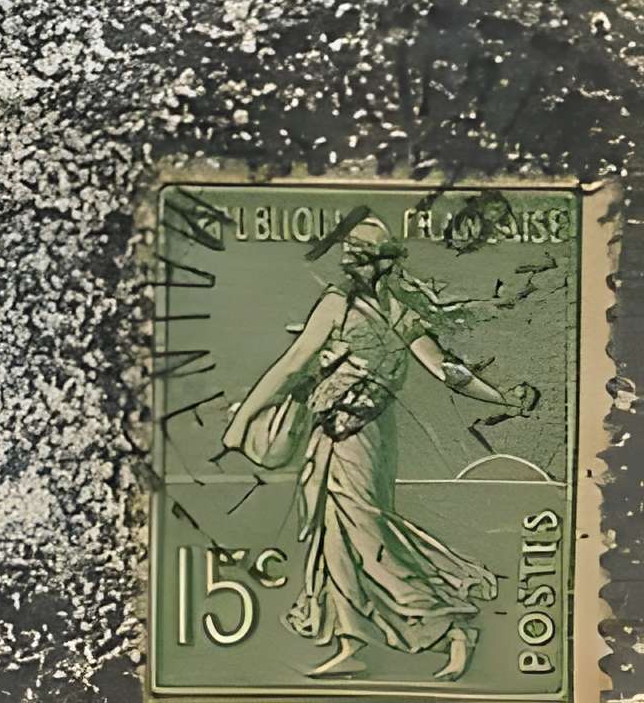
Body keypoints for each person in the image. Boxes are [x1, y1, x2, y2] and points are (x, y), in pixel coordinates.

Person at [221, 225, 536, 682]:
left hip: (363, 435)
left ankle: (453, 623)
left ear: (386, 262)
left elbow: (447, 371)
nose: (352, 264)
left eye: (362, 256)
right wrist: (242, 419)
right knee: (335, 535)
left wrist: (502, 399)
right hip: (333, 434)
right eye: (350, 255)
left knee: (366, 531)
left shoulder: (385, 311)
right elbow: (294, 366)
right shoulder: (343, 305)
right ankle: (353, 643)